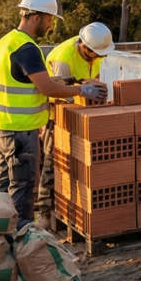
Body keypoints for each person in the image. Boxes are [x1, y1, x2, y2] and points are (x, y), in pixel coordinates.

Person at [0, 0, 106, 229]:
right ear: (36, 17)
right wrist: (82, 92)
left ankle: (0, 237)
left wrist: (76, 83)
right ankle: (22, 239)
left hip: (0, 125)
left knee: (4, 184)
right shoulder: (27, 48)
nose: (50, 25)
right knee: (22, 188)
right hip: (19, 130)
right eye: (50, 19)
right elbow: (47, 87)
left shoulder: (7, 40)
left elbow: (33, 82)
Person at [34, 21, 113, 227]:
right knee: (53, 161)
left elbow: (93, 80)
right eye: (95, 54)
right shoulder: (64, 58)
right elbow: (56, 92)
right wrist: (82, 89)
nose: (99, 58)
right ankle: (43, 210)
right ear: (84, 47)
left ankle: (72, 205)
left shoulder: (96, 53)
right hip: (56, 113)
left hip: (81, 110)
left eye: (101, 55)